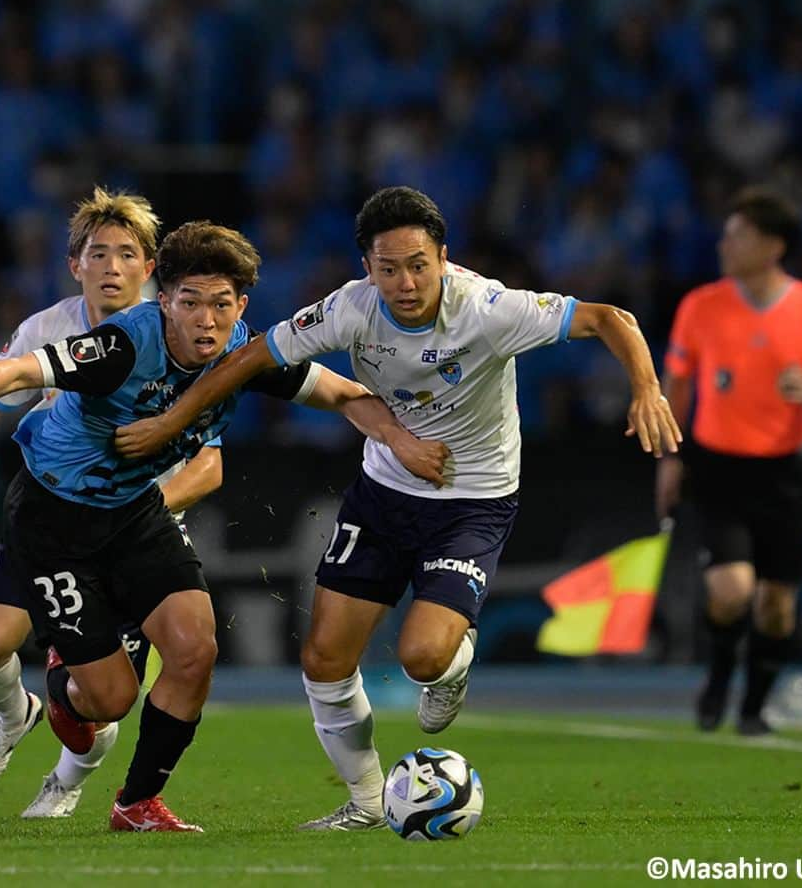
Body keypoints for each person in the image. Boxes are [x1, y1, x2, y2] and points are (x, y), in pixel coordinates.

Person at [113, 185, 681, 830]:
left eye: (418, 265)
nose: (405, 282)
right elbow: (251, 357)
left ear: (444, 258)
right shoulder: (350, 310)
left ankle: (453, 664)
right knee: (325, 657)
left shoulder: (491, 309)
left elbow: (612, 318)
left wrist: (647, 390)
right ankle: (362, 802)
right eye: (388, 269)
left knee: (421, 658)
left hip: (473, 500)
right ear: (367, 269)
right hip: (383, 495)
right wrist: (170, 424)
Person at [0, 219, 445, 832]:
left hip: (137, 514)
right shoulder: (122, 346)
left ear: (240, 305)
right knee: (108, 700)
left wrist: (401, 438)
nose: (206, 321)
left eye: (220, 304)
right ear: (164, 301)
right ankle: (56, 693)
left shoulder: (246, 351)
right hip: (53, 521)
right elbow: (24, 371)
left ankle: (135, 805)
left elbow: (343, 394)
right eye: (190, 303)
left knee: (195, 649)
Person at [0, 185, 225, 818]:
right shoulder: (47, 329)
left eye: (126, 254)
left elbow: (210, 463)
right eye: (97, 253)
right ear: (73, 264)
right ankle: (13, 711)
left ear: (150, 266)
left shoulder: (181, 330)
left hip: (134, 538)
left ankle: (70, 779)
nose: (111, 267)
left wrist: (136, 501)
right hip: (53, 524)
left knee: (108, 693)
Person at [656, 186, 802, 736]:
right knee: (732, 590)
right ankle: (718, 678)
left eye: (737, 235)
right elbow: (679, 384)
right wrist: (672, 457)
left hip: (782, 473)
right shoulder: (701, 306)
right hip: (718, 468)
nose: (725, 243)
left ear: (772, 246)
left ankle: (752, 709)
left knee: (775, 607)